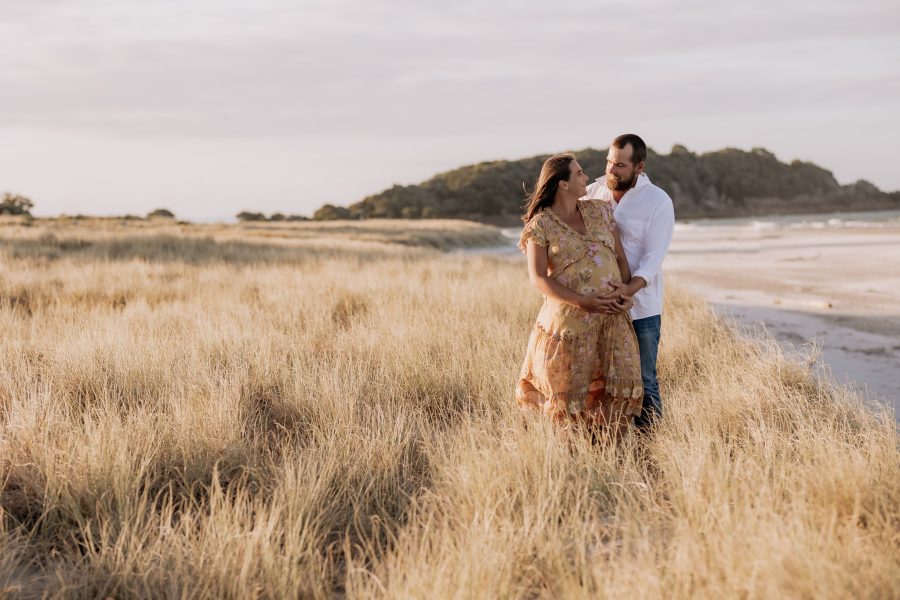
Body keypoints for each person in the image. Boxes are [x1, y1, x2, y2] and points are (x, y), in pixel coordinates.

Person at [516, 153, 644, 436]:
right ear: (562, 184)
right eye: (579, 173)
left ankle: (613, 455)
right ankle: (574, 461)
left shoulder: (600, 210)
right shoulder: (541, 225)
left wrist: (624, 291)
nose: (587, 178)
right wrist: (582, 301)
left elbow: (620, 258)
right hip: (570, 326)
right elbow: (538, 278)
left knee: (620, 389)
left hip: (612, 319)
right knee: (570, 398)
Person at [582, 134, 675, 431]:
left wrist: (629, 289)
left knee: (644, 379)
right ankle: (612, 439)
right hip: (601, 305)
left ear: (639, 166)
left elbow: (653, 258)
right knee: (603, 378)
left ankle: (652, 443)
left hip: (642, 308)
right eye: (609, 161)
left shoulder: (658, 201)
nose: (611, 169)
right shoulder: (594, 193)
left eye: (620, 165)